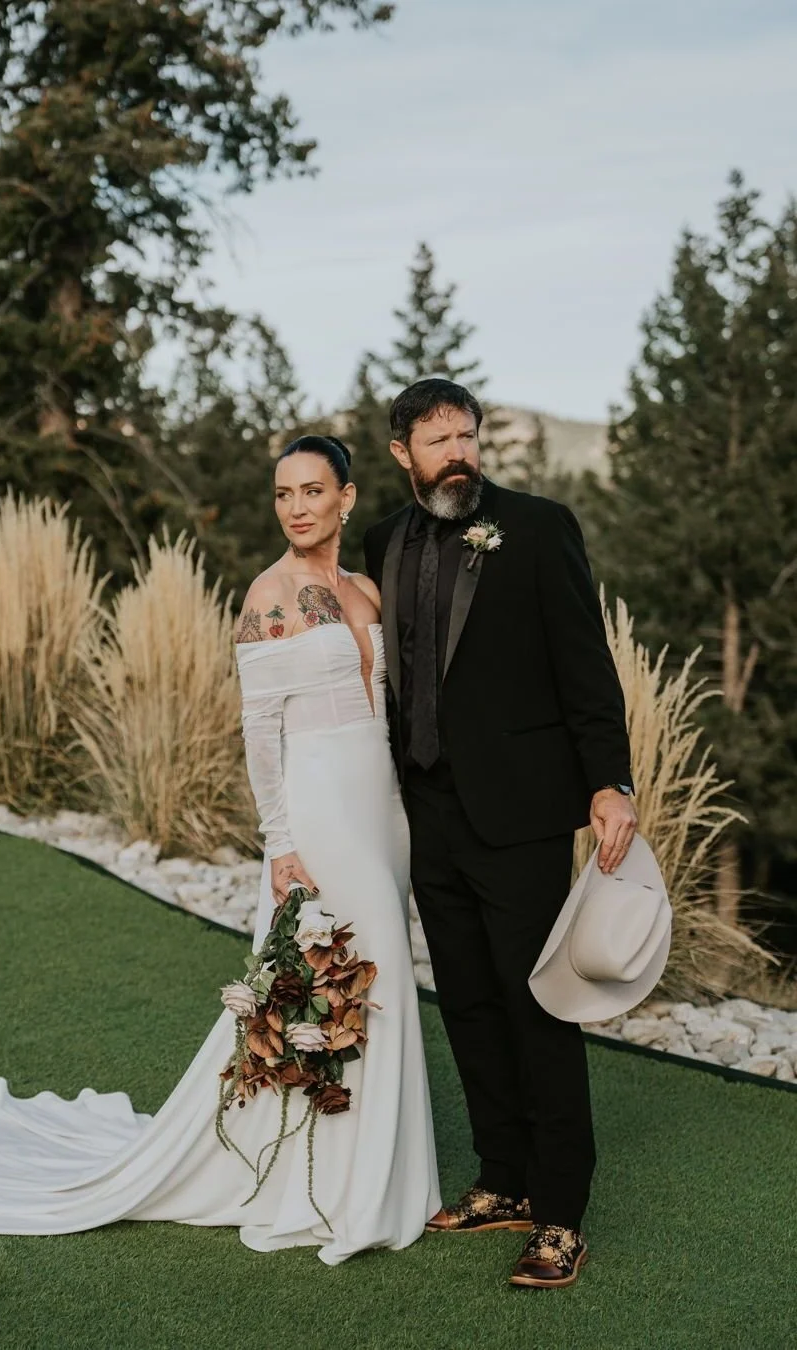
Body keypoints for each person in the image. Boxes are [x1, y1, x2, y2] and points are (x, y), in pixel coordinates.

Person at [0, 433, 441, 1265]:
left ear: (347, 498)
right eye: (283, 493)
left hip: (382, 812)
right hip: (321, 816)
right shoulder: (268, 597)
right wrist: (281, 845)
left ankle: (384, 1175)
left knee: (383, 982)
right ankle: (317, 1182)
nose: (296, 507)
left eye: (312, 491)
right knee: (317, 991)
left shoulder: (364, 589)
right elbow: (260, 734)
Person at [363, 378, 637, 1289]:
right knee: (471, 1004)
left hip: (518, 813)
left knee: (538, 1007)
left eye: (466, 435)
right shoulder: (385, 542)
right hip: (428, 812)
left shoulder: (539, 525)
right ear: (402, 454)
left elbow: (584, 665)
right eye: (437, 441)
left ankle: (561, 1214)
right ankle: (503, 1180)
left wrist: (610, 781)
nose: (458, 453)